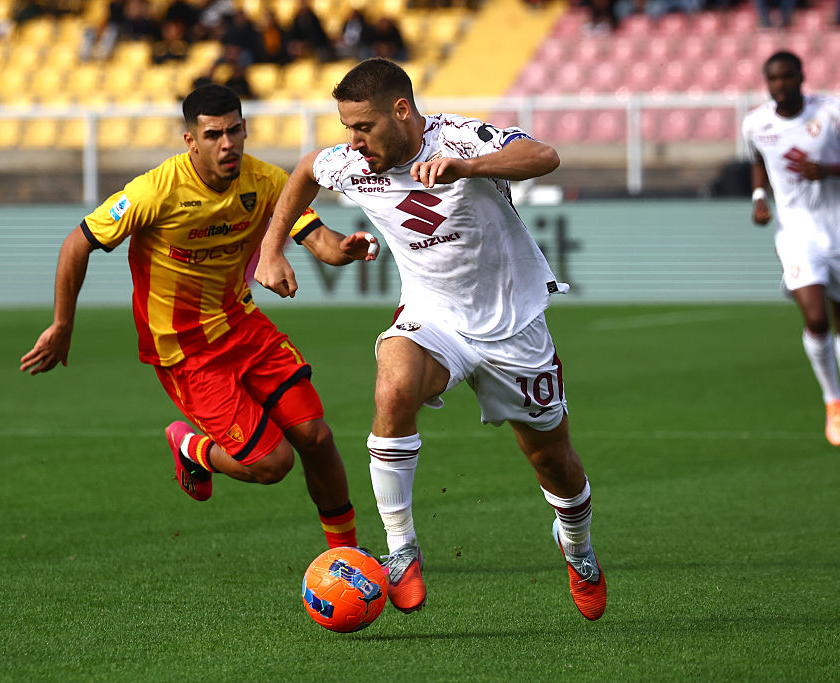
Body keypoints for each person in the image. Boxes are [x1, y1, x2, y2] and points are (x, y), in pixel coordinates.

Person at [255, 58, 606, 620]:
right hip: (433, 316)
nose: (353, 141)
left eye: (362, 127)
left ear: (401, 112)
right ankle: (401, 551)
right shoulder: (351, 163)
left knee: (551, 459)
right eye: (346, 128)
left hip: (512, 325)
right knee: (392, 390)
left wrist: (470, 167)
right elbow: (303, 172)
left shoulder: (461, 138)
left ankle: (578, 545)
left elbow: (545, 156)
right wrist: (273, 249)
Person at [20, 84, 381, 551]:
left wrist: (345, 250)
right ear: (191, 140)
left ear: (246, 130)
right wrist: (62, 324)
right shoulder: (156, 191)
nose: (227, 143)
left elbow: (321, 242)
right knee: (273, 464)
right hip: (185, 351)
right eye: (213, 135)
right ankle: (193, 449)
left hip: (243, 326)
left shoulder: (266, 181)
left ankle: (345, 557)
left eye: (234, 131)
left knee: (316, 436)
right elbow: (78, 242)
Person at [743, 51, 840, 450]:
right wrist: (759, 196)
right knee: (816, 318)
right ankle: (832, 402)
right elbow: (759, 160)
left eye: (787, 77)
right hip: (797, 235)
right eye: (773, 79)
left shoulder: (833, 114)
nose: (780, 84)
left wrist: (829, 169)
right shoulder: (756, 124)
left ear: (802, 77)